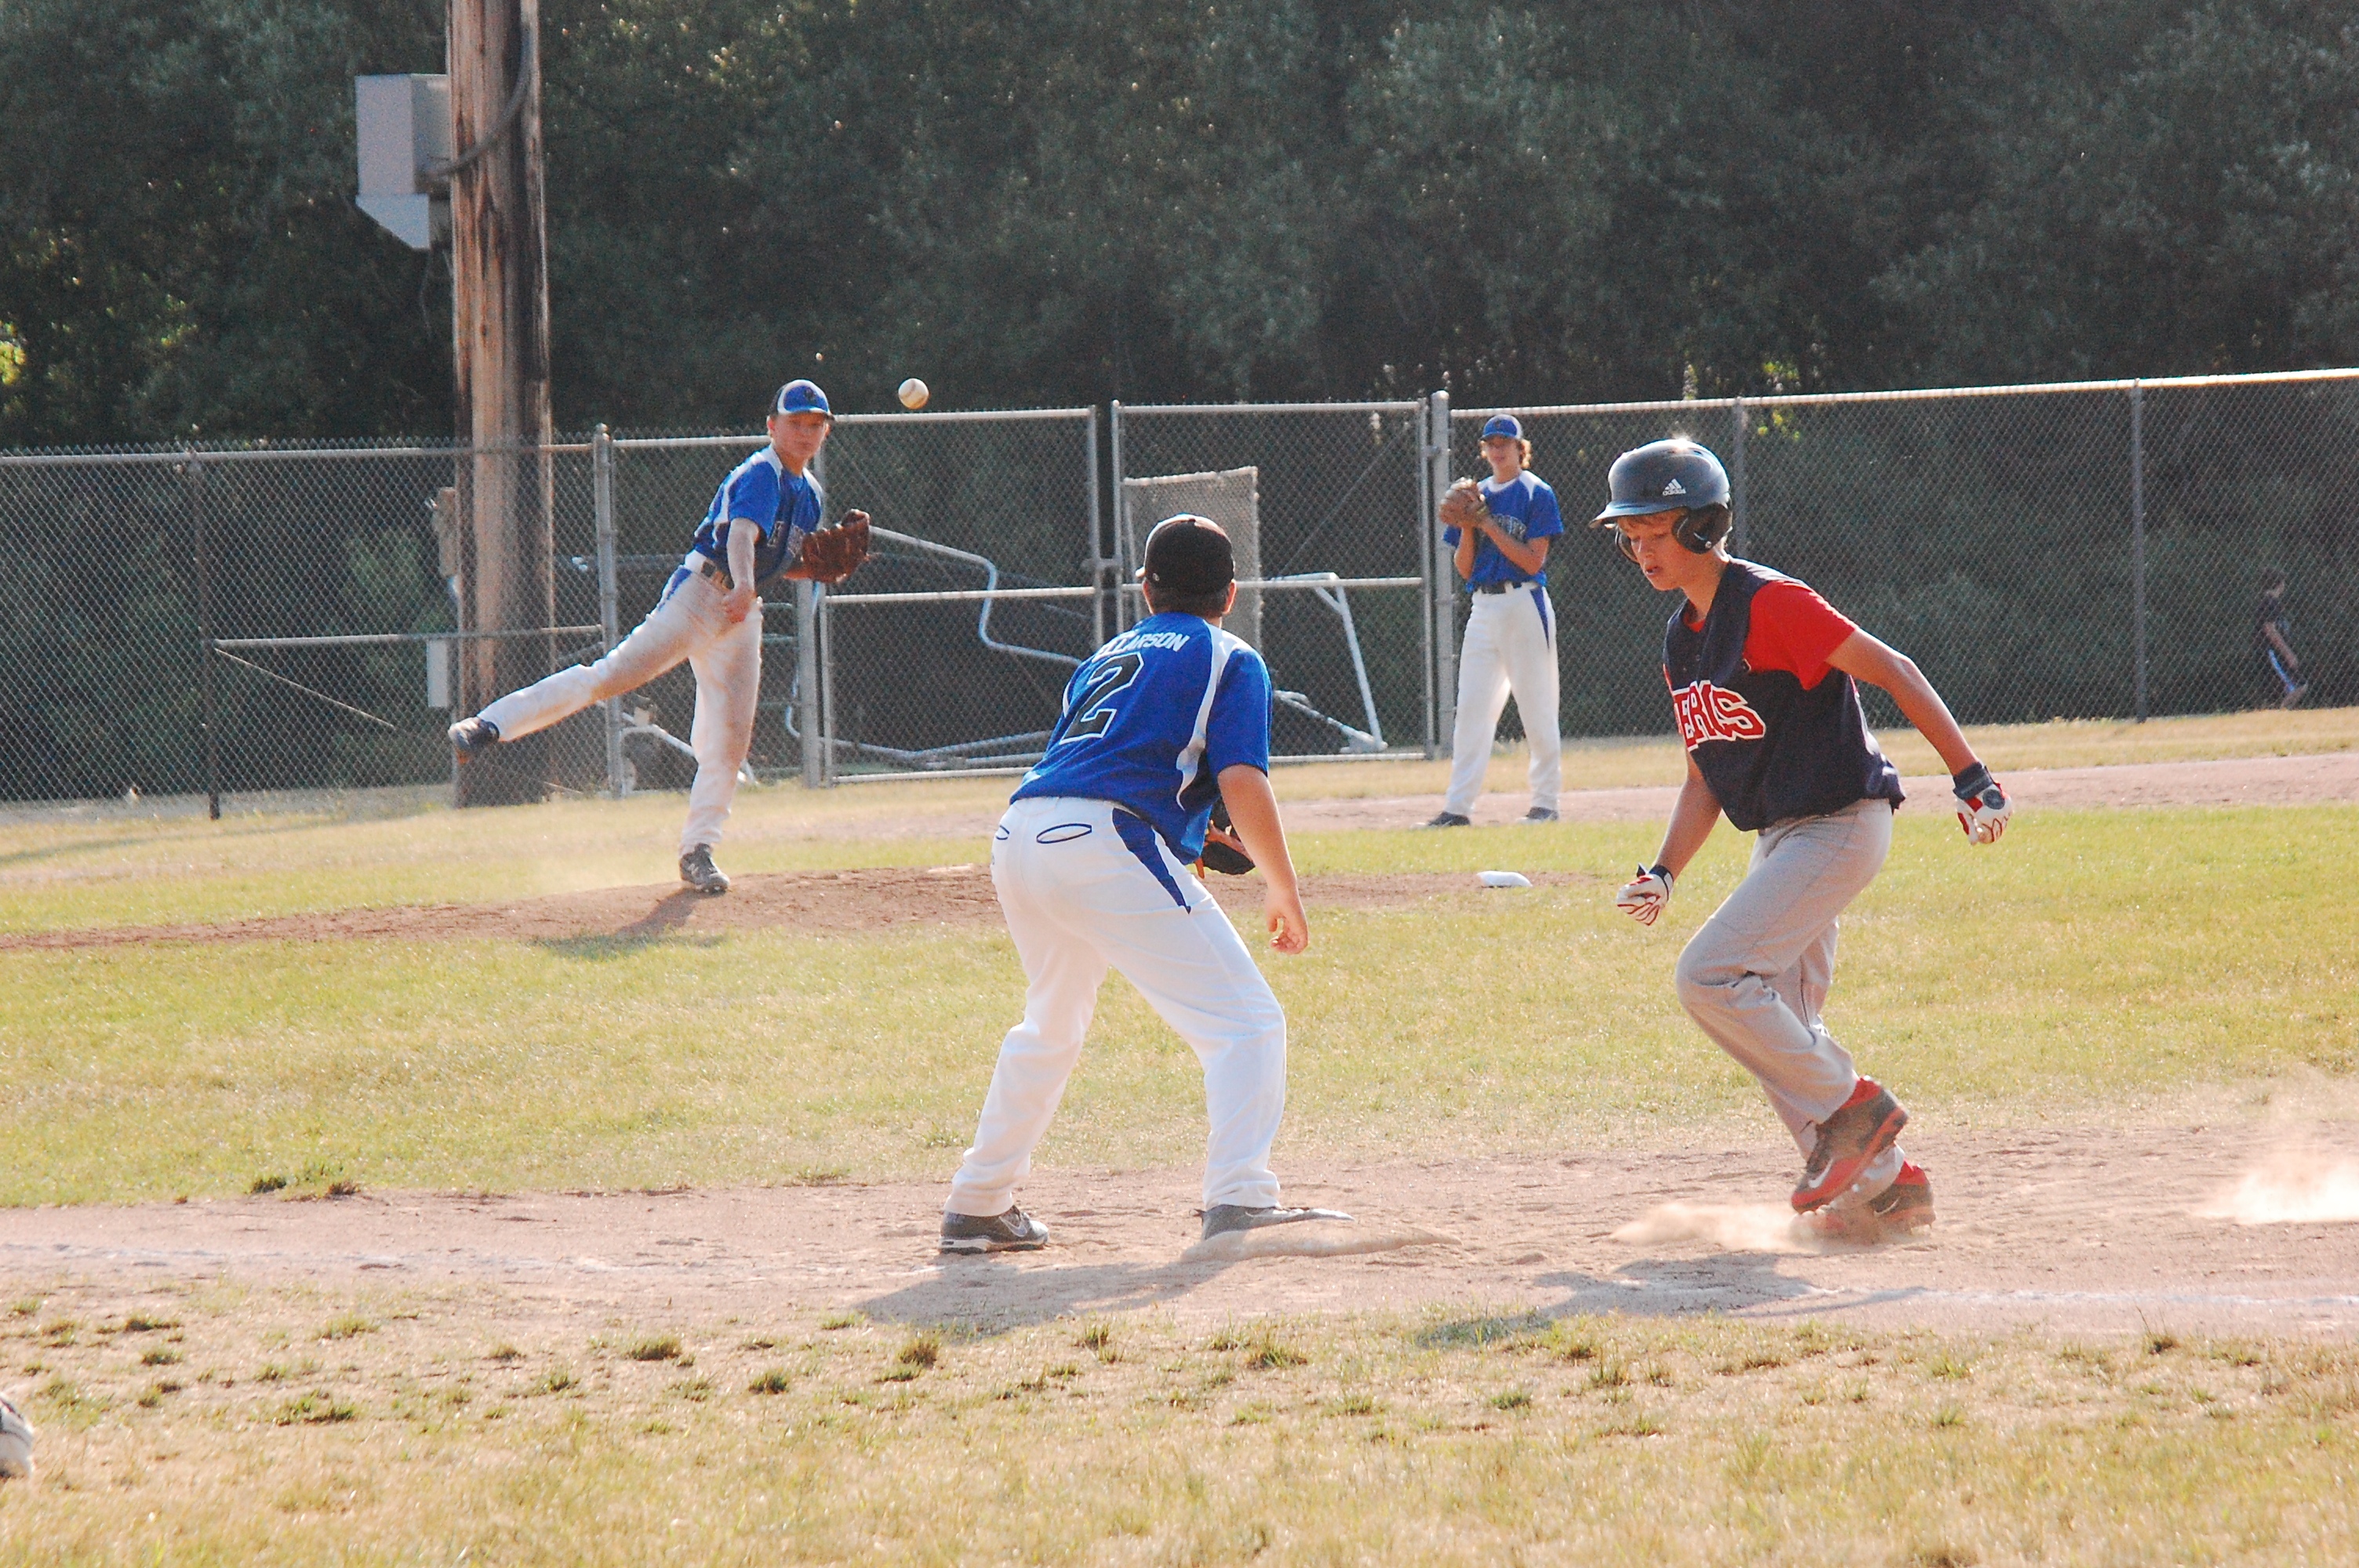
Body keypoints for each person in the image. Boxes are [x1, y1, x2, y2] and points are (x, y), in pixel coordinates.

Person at [1593, 438, 2013, 1237]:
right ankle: (1886, 1193)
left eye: (1654, 530)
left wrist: (1969, 775)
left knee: (1708, 976)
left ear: (1702, 525)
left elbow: (1894, 668)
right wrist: (1664, 871)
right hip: (1783, 840)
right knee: (1777, 1025)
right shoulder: (1682, 640)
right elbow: (1702, 778)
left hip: (1841, 823)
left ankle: (1857, 1112)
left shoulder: (1771, 602)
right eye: (1629, 535)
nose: (1640, 549)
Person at [940, 515, 1347, 1252]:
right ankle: (1240, 1201)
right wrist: (1282, 885)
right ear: (1230, 594)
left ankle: (978, 1202)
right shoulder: (1231, 656)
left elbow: (1105, 762)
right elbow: (1241, 778)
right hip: (1103, 842)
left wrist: (1183, 835)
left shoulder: (1104, 656)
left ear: (1145, 590)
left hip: (1019, 835)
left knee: (1051, 1024)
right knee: (1248, 1024)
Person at [446, 380, 866, 895]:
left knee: (732, 738)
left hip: (739, 613)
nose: (805, 433)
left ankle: (698, 850)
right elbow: (741, 536)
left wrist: (816, 569)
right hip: (702, 594)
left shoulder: (810, 494)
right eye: (795, 423)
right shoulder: (762, 473)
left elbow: (778, 558)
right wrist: (745, 585)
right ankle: (488, 724)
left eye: (815, 425)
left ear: (826, 432)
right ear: (771, 427)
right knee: (611, 676)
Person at [1425, 414, 1565, 827]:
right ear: (1484, 450)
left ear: (1521, 449)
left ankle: (1545, 804)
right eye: (1491, 443)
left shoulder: (1536, 492)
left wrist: (1486, 522)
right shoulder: (1476, 494)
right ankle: (1457, 808)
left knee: (1537, 707)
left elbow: (1533, 560)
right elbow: (1465, 569)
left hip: (1525, 602)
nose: (1498, 449)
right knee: (1471, 712)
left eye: (1505, 442)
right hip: (1483, 608)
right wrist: (1470, 527)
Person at [2256, 569, 2309, 709]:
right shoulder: (2269, 603)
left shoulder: (2273, 602)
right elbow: (2270, 630)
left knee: (2297, 686)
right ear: (2279, 584)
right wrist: (2287, 653)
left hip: (2276, 652)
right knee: (2298, 686)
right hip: (2273, 651)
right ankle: (2281, 713)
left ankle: (2282, 711)